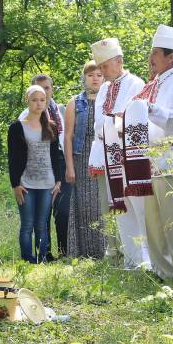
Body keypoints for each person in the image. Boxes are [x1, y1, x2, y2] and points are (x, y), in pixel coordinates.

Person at [133, 25, 173, 282]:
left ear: (171, 57)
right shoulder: (152, 85)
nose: (151, 58)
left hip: (172, 158)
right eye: (152, 52)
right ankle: (163, 270)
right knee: (154, 222)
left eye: (156, 53)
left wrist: (150, 109)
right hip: (150, 159)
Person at [86, 38, 146, 267]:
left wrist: (113, 123)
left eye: (104, 66)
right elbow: (98, 122)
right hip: (108, 152)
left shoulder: (135, 83)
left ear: (118, 61)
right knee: (118, 207)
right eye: (99, 67)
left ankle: (144, 259)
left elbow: (131, 116)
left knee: (137, 206)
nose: (101, 71)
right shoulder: (104, 89)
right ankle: (129, 259)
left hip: (128, 153)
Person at [8, 85, 64, 264]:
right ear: (27, 100)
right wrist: (15, 184)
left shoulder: (51, 127)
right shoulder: (17, 128)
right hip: (25, 184)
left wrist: (58, 181)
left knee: (42, 225)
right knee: (27, 225)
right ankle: (27, 260)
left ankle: (42, 260)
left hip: (47, 184)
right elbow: (13, 158)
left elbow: (56, 156)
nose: (39, 104)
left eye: (42, 100)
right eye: (35, 100)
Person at [19, 74, 68, 258]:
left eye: (46, 89)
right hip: (37, 167)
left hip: (60, 163)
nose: (43, 94)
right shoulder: (24, 118)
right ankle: (44, 254)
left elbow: (65, 141)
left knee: (63, 211)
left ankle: (64, 252)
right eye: (38, 90)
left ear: (51, 89)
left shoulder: (61, 111)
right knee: (42, 215)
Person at [64, 61, 106, 259]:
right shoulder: (75, 103)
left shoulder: (109, 100)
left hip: (104, 157)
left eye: (99, 74)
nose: (95, 78)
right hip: (82, 158)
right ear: (84, 78)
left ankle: (104, 251)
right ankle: (83, 252)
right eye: (91, 75)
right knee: (84, 205)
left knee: (102, 204)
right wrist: (69, 167)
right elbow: (68, 137)